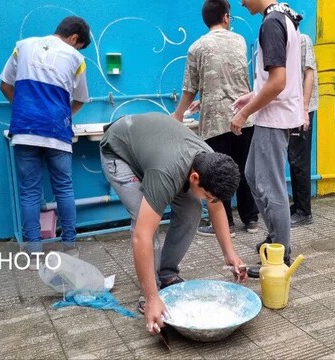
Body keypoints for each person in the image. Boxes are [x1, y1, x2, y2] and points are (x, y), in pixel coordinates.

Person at [99, 112, 248, 334]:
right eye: (208, 195)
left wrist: (230, 254)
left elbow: (216, 206)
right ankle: (151, 294)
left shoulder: (210, 161)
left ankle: (166, 273)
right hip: (119, 153)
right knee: (144, 220)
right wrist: (151, 297)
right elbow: (142, 236)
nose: (211, 201)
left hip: (155, 152)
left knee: (191, 209)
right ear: (195, 178)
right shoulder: (166, 173)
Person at [0, 16, 91, 266]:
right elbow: (81, 98)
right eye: (79, 45)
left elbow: (5, 85)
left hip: (25, 128)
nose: (77, 50)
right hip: (57, 132)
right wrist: (61, 116)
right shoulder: (76, 59)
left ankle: (33, 250)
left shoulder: (23, 45)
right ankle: (70, 245)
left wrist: (24, 109)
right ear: (74, 39)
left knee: (29, 192)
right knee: (64, 188)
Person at [172, 0, 259, 238]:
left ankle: (225, 224)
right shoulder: (240, 41)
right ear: (226, 17)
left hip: (215, 123)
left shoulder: (196, 48)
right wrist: (207, 97)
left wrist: (178, 115)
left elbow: (190, 88)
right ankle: (251, 219)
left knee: (217, 174)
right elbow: (230, 78)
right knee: (243, 171)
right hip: (244, 117)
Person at [230, 1, 304, 278]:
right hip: (276, 115)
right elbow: (278, 80)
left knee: (270, 186)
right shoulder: (284, 17)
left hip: (273, 119)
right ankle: (275, 238)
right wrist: (251, 97)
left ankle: (280, 254)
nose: (241, 2)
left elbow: (278, 82)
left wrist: (245, 113)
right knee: (251, 174)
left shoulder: (271, 23)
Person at [289, 33, 319, 226]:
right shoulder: (288, 41)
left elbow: (309, 73)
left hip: (301, 110)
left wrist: (305, 109)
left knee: (299, 159)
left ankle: (304, 211)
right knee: (293, 157)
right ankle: (298, 204)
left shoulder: (302, 40)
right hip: (292, 110)